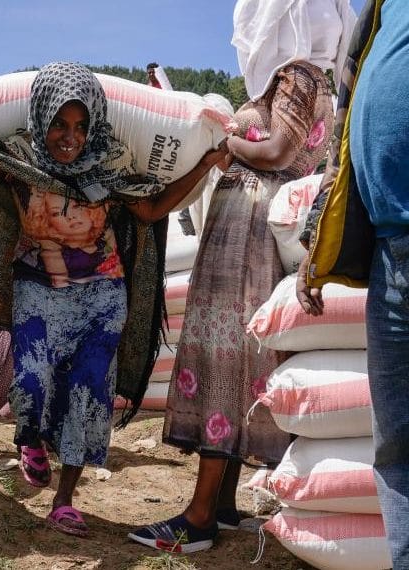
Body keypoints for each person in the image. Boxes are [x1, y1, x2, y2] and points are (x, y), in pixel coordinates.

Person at [0, 62, 229, 537]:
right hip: (38, 288)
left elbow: (149, 209)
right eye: (61, 125)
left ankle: (65, 500)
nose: (72, 137)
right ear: (41, 117)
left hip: (104, 297)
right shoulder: (17, 158)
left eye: (82, 126)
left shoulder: (109, 163)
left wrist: (206, 164)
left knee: (89, 395)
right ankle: (31, 439)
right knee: (30, 384)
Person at [129, 0, 355, 553]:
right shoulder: (313, 79)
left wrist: (222, 142)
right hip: (244, 232)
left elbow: (277, 151)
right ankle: (223, 503)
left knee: (225, 361)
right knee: (228, 361)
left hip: (247, 237)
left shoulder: (296, 74)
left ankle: (200, 516)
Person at [296, 1, 409, 567]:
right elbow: (345, 123)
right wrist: (321, 235)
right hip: (392, 253)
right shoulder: (382, 7)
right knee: (397, 445)